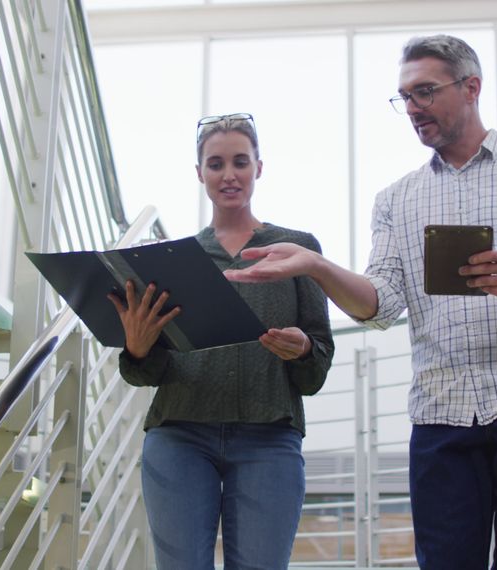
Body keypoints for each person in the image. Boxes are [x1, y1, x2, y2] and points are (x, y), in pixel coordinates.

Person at [225, 36, 497, 569]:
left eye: (425, 92)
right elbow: (381, 304)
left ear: (471, 87)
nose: (412, 108)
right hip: (441, 412)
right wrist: (316, 266)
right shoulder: (395, 200)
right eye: (403, 97)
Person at [107, 112, 335, 570]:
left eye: (240, 162)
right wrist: (136, 348)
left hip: (269, 439)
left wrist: (304, 349)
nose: (229, 175)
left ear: (258, 168)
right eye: (215, 164)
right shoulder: (174, 259)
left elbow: (316, 367)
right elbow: (147, 373)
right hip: (179, 437)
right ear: (199, 174)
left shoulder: (296, 248)